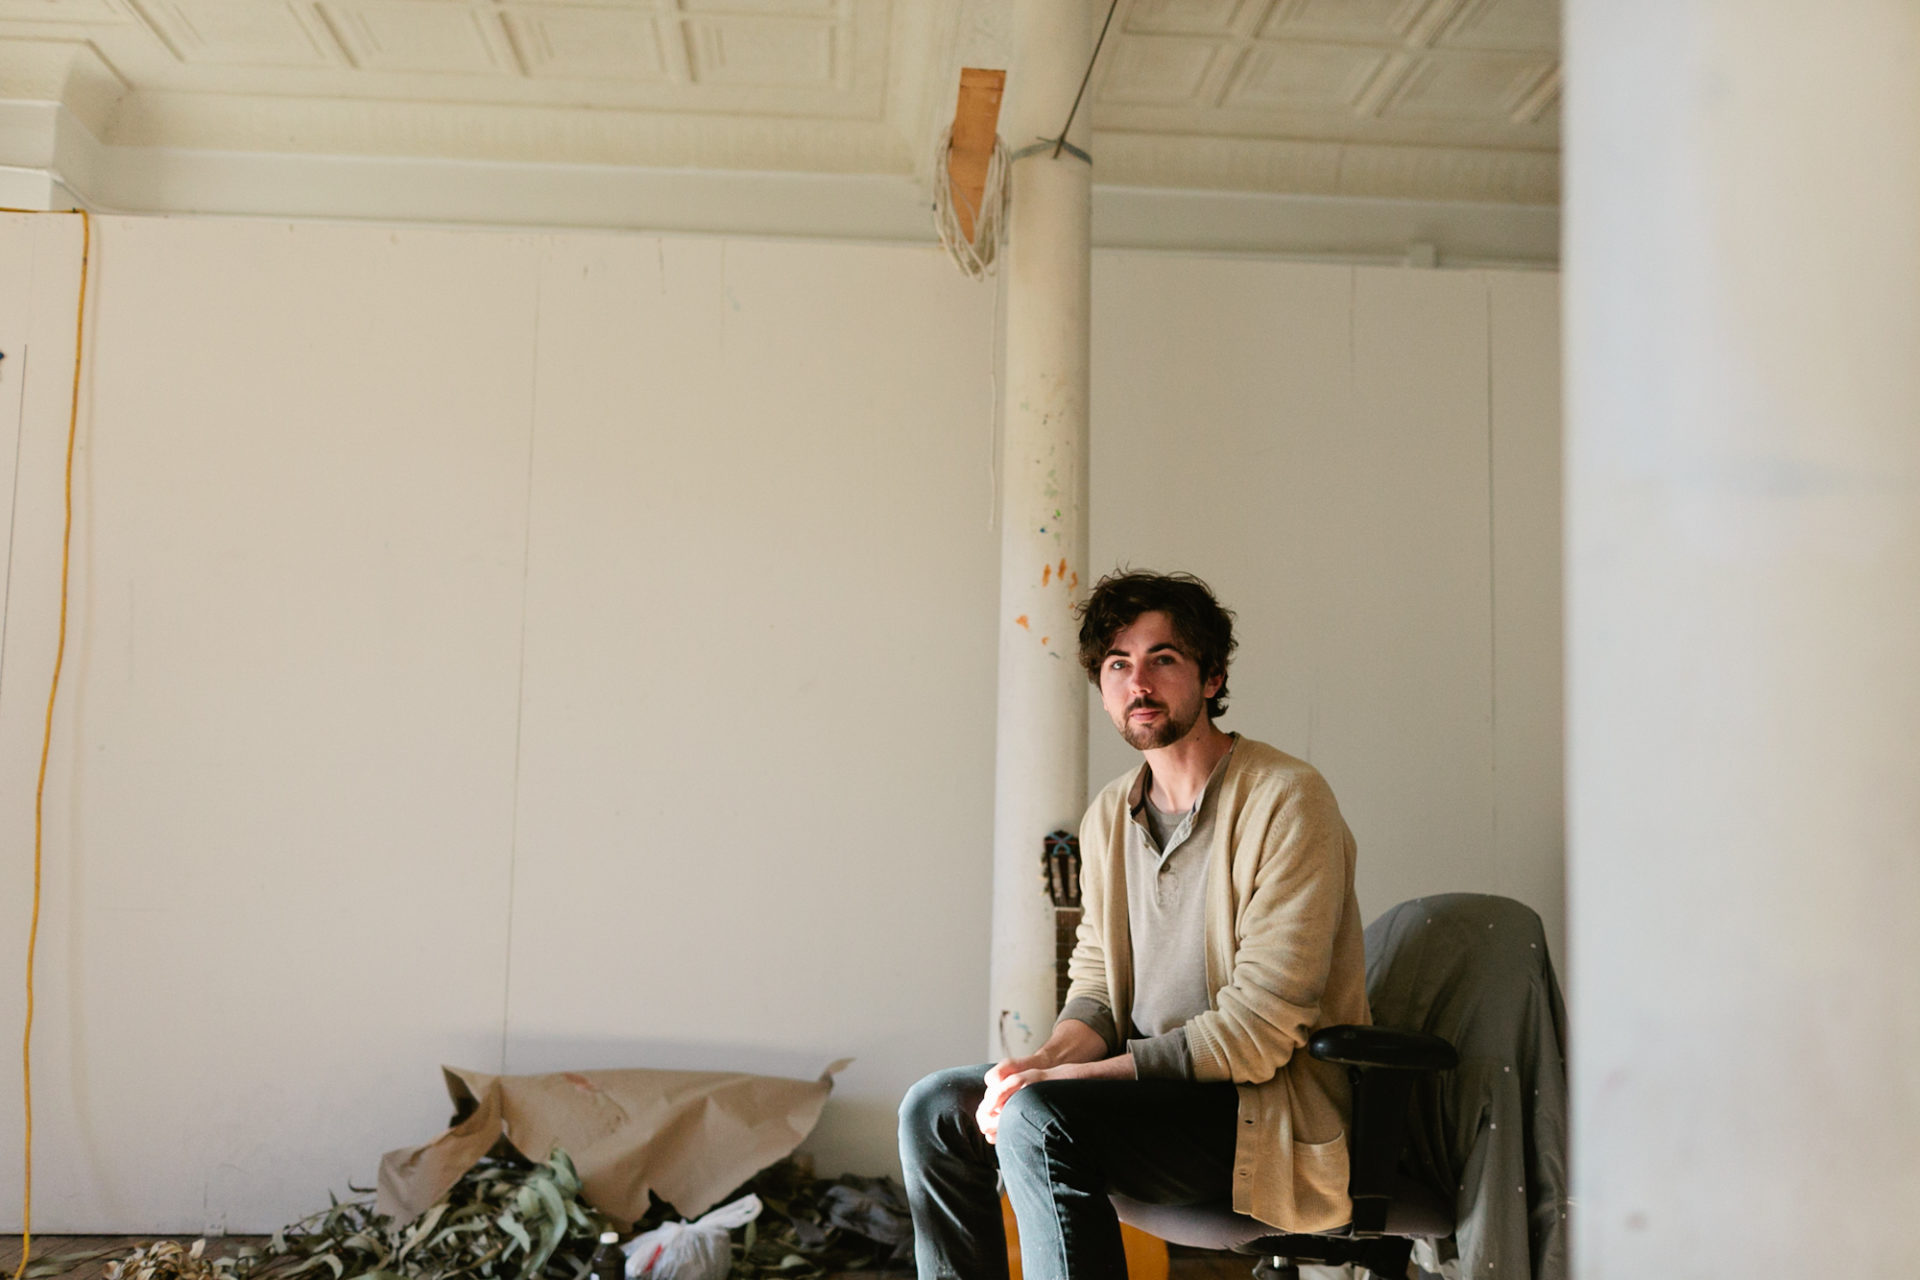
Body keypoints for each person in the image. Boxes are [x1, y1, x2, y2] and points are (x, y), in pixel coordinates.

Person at [898, 569, 1371, 1280]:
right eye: (1118, 664)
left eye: (1163, 659)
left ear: (1212, 676)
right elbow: (1097, 988)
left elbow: (1260, 1031)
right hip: (1146, 1100)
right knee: (936, 1108)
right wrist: (1040, 1064)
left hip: (1257, 1112)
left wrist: (1072, 1081)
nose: (1138, 683)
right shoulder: (1109, 814)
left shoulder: (1287, 799)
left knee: (1040, 1117)